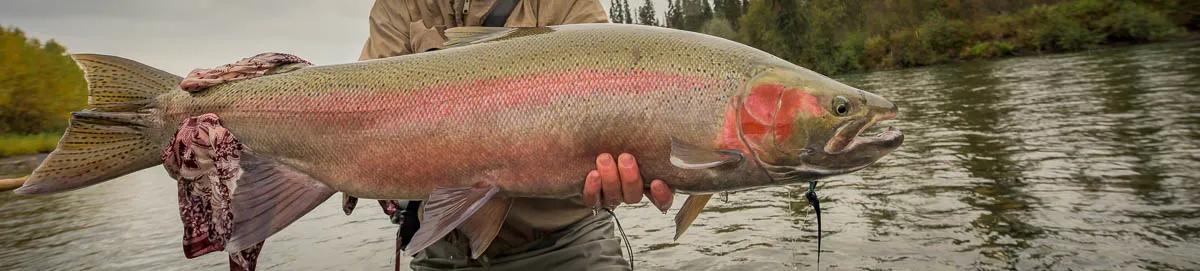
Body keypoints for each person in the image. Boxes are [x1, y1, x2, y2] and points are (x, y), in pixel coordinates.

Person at [355, 1, 675, 270]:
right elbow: (364, 112)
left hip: (567, 239)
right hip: (446, 245)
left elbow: (614, 103)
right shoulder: (400, 6)